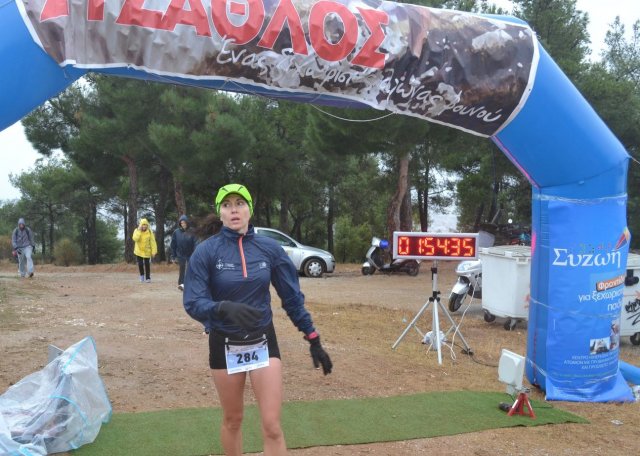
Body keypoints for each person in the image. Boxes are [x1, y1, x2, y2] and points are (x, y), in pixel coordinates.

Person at [183, 183, 332, 456]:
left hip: (262, 340)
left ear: (250, 210)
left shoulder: (270, 249)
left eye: (240, 203)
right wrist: (222, 308)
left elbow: (291, 299)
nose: (234, 210)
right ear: (220, 213)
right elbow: (193, 302)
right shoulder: (206, 252)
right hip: (225, 342)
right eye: (227, 205)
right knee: (233, 420)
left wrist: (313, 338)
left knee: (273, 425)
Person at [170, 215, 197, 291]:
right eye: (181, 223)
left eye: (184, 223)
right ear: (180, 224)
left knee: (190, 269)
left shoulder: (192, 231)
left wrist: (195, 254)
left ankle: (190, 284)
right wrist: (173, 256)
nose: (183, 224)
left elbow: (196, 243)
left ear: (187, 223)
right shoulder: (176, 232)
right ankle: (181, 284)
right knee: (182, 269)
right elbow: (173, 245)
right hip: (180, 254)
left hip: (190, 254)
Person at [132, 218, 157, 283]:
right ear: (140, 225)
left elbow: (153, 242)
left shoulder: (150, 232)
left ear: (147, 225)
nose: (144, 226)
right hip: (139, 250)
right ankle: (142, 276)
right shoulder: (136, 230)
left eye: (145, 225)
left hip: (147, 251)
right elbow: (135, 239)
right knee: (140, 264)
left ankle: (148, 278)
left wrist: (154, 251)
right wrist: (139, 231)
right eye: (143, 225)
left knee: (147, 264)